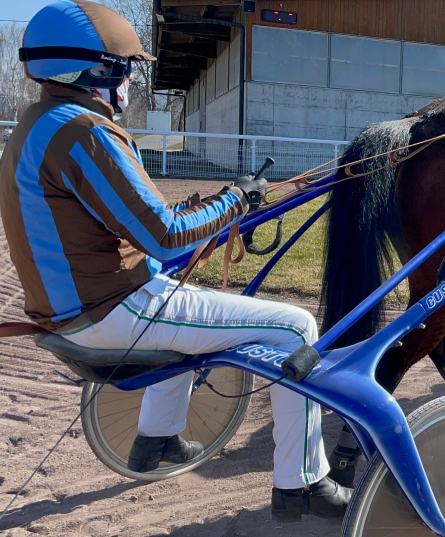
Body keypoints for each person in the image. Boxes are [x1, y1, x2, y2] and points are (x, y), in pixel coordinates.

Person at [0, 1, 349, 522]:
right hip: (110, 312)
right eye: (125, 67)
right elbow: (165, 238)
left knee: (185, 307)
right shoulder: (86, 133)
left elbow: (127, 220)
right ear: (97, 70)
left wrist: (205, 209)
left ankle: (155, 439)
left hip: (72, 309)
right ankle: (302, 482)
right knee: (295, 327)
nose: (129, 79)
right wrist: (237, 200)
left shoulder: (36, 124)